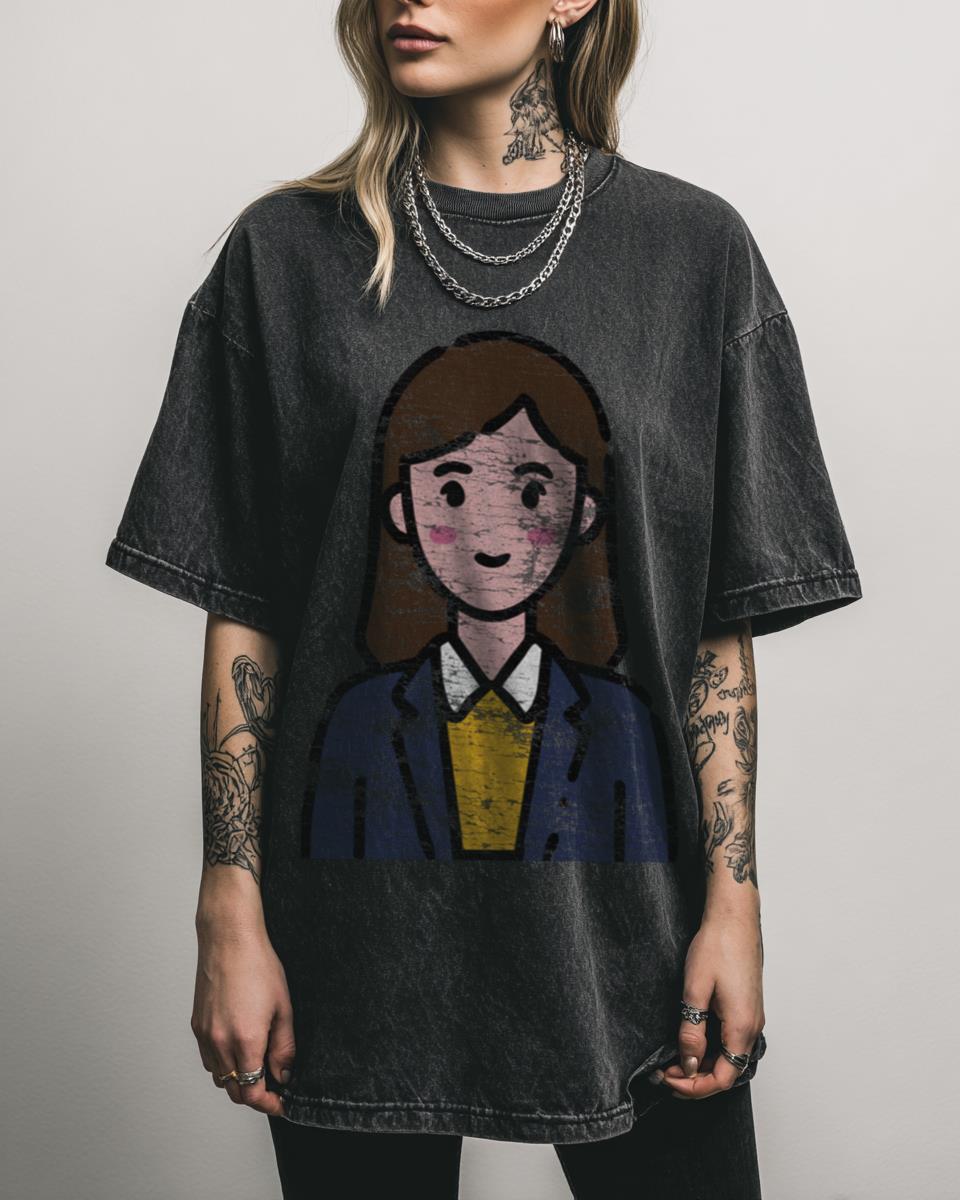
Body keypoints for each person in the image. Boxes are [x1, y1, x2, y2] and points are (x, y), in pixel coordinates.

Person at [104, 1, 863, 1196]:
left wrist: (735, 903)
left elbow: (714, 630)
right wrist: (229, 906)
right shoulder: (284, 255)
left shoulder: (694, 254)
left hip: (635, 934)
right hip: (350, 951)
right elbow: (246, 609)